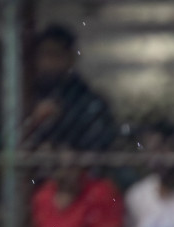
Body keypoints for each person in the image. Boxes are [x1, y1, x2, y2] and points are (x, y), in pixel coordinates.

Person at [24, 24, 117, 153]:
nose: (47, 63)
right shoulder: (27, 95)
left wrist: (62, 119)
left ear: (70, 58)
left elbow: (101, 141)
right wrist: (33, 122)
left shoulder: (88, 100)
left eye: (55, 55)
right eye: (43, 55)